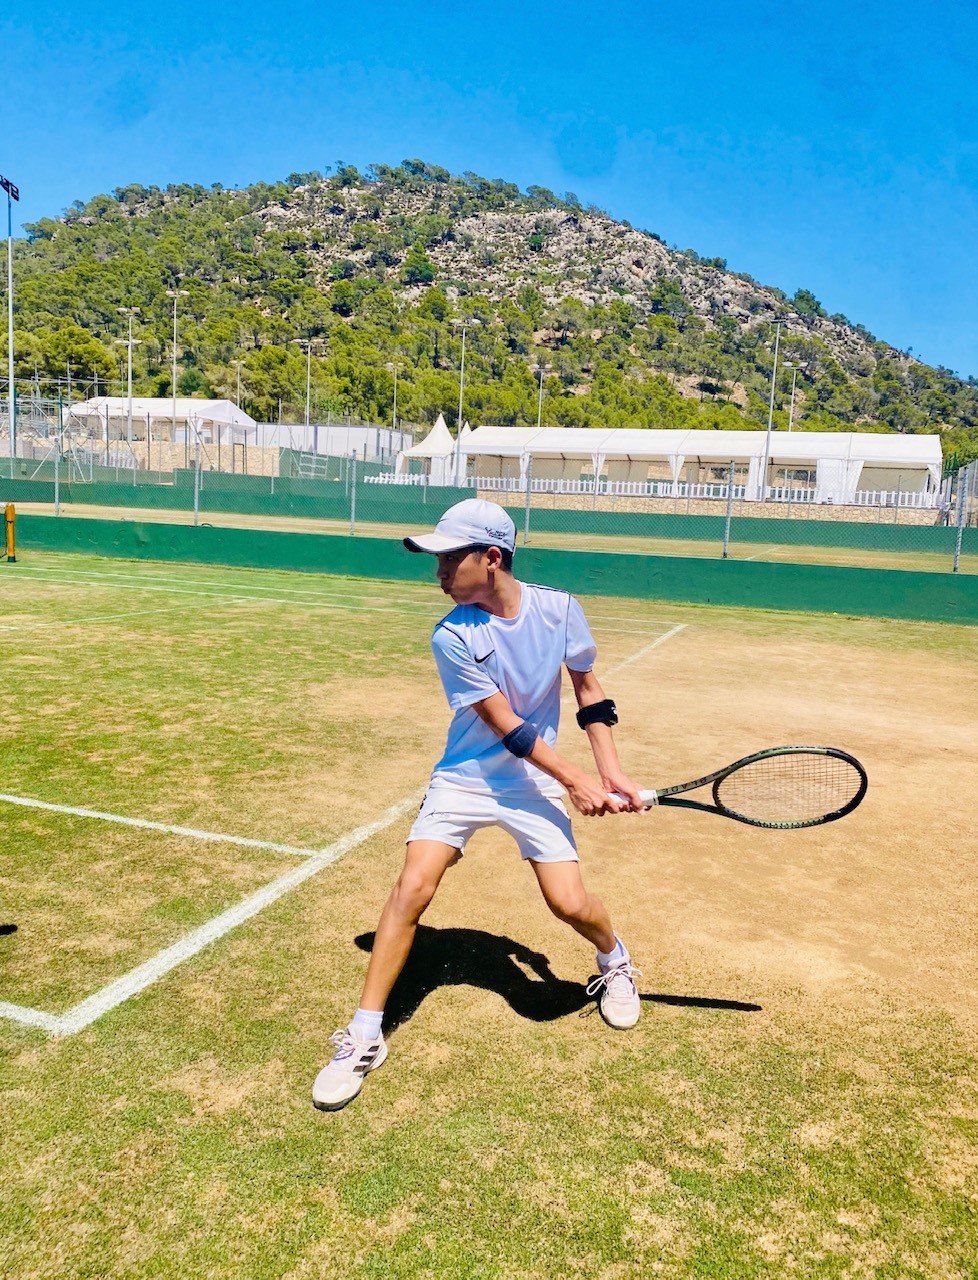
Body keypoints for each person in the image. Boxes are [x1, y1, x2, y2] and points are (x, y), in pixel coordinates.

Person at [313, 499, 645, 1112]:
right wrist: (575, 778)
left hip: (532, 783)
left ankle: (615, 958)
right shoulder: (451, 634)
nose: (438, 572)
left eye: (448, 558)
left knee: (568, 903)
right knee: (410, 890)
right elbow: (504, 724)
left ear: (492, 558)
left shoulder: (560, 609)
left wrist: (611, 772)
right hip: (465, 777)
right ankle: (363, 1034)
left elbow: (590, 694)